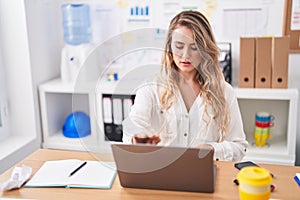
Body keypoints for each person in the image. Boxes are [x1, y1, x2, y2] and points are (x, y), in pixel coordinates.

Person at [122, 10, 248, 162]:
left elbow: (239, 147)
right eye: (179, 46)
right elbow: (129, 134)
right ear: (170, 47)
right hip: (161, 173)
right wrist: (137, 140)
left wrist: (212, 149)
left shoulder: (224, 91)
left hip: (203, 174)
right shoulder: (150, 88)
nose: (185, 55)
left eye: (194, 47)